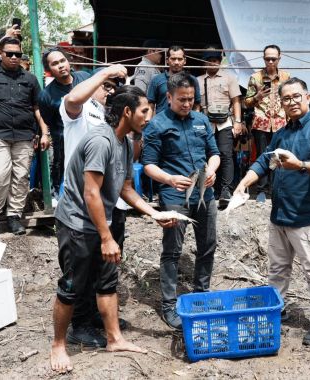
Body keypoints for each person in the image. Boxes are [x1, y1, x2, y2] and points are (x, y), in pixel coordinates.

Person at [50, 86, 173, 373]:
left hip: (101, 220)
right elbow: (91, 192)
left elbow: (126, 188)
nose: (149, 116)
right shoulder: (101, 141)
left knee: (107, 280)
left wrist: (154, 213)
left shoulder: (126, 142)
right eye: (144, 110)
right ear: (127, 112)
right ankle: (58, 344)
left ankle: (114, 338)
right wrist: (106, 237)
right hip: (78, 223)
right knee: (71, 286)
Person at [235, 77, 310, 345]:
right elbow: (264, 160)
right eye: (285, 98)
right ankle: (276, 308)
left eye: (295, 96)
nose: (291, 102)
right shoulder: (281, 132)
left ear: (307, 97)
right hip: (280, 212)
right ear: (280, 103)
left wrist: (300, 165)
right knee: (278, 268)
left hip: (307, 214)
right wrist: (245, 182)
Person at [56, 65, 128, 348]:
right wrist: (106, 72)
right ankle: (80, 324)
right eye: (105, 86)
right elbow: (74, 98)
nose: (109, 90)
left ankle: (97, 317)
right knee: (79, 271)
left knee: (104, 267)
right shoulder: (78, 112)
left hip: (111, 201)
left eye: (113, 88)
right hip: (82, 202)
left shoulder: (110, 120)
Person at [143, 72, 221, 330]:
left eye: (190, 99)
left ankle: (201, 294)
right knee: (173, 250)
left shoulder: (201, 120)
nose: (187, 104)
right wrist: (169, 179)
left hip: (205, 195)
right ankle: (168, 304)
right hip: (174, 197)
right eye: (181, 100)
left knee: (208, 244)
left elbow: (215, 154)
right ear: (168, 97)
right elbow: (148, 166)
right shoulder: (157, 125)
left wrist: (212, 169)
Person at [0, 37, 50, 239]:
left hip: (24, 135)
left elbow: (37, 107)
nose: (15, 57)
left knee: (21, 177)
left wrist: (44, 131)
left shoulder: (30, 79)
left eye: (18, 54)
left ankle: (14, 215)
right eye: (10, 54)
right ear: (0, 54)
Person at [38, 47, 91, 198]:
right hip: (65, 143)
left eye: (63, 61)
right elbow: (48, 120)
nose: (61, 65)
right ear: (49, 69)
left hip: (91, 137)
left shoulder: (85, 77)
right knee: (66, 176)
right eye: (55, 63)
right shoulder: (46, 95)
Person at [244, 44, 290, 203]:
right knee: (264, 155)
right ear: (263, 59)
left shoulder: (286, 77)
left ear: (279, 58)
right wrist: (257, 97)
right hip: (261, 122)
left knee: (279, 156)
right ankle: (262, 190)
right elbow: (246, 102)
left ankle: (277, 189)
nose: (270, 62)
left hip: (281, 123)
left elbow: (290, 99)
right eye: (267, 59)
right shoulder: (255, 78)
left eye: (273, 59)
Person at [197, 48, 243, 206]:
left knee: (226, 154)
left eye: (216, 60)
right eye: (209, 60)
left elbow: (236, 101)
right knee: (206, 154)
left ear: (220, 62)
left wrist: (238, 122)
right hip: (204, 122)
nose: (213, 63)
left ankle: (226, 190)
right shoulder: (198, 80)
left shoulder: (230, 78)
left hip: (225, 122)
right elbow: (196, 105)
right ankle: (210, 188)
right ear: (204, 62)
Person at [147, 45, 201, 114]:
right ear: (167, 60)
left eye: (179, 59)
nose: (176, 62)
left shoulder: (192, 80)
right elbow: (150, 105)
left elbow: (196, 106)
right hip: (162, 123)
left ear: (185, 61)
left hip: (185, 122)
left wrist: (195, 122)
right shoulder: (157, 80)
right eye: (173, 59)